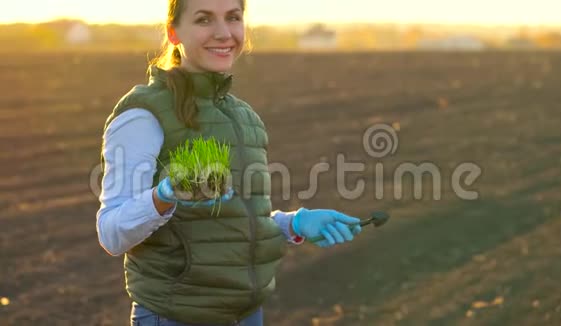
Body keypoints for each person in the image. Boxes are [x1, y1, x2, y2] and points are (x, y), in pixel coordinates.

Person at [96, 0, 364, 325]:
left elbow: (234, 224)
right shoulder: (143, 114)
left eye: (233, 18)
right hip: (176, 317)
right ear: (173, 32)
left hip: (247, 314)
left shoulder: (244, 117)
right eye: (204, 19)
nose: (223, 33)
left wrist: (294, 223)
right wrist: (165, 196)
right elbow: (111, 234)